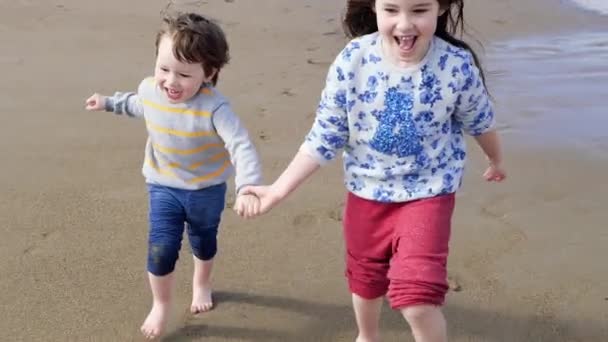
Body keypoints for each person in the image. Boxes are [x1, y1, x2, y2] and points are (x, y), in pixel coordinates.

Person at [238, 0, 506, 341]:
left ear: (440, 7)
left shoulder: (455, 65)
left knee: (417, 297)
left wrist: (496, 159)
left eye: (419, 10)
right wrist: (276, 190)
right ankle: (367, 335)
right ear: (374, 7)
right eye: (391, 10)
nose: (405, 24)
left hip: (428, 193)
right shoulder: (354, 60)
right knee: (365, 280)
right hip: (366, 192)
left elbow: (480, 121)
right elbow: (325, 135)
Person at [85, 12, 262, 340]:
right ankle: (161, 304)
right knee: (161, 246)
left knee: (203, 241)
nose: (170, 81)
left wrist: (248, 185)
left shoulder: (215, 109)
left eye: (183, 74)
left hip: (206, 189)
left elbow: (241, 145)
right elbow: (139, 104)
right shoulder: (152, 90)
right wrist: (109, 102)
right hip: (162, 184)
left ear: (209, 73)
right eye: (163, 69)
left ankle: (201, 282)